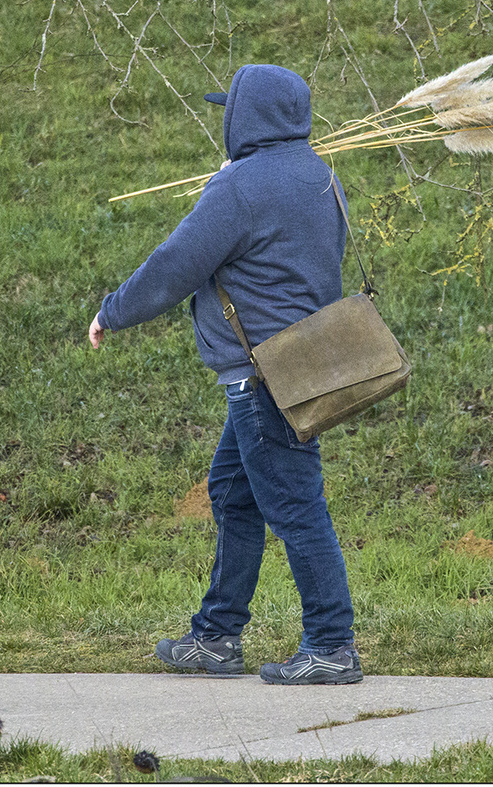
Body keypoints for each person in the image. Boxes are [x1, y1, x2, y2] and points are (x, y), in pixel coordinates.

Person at [88, 63, 362, 685]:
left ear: (247, 116)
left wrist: (113, 311)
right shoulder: (320, 175)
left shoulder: (240, 187)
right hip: (303, 363)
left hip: (264, 375)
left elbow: (177, 262)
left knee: (295, 506)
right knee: (234, 494)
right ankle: (216, 636)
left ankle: (332, 644)